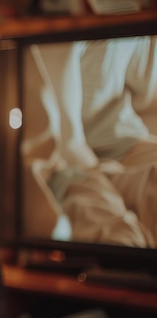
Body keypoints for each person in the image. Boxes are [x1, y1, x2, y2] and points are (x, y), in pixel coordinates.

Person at [22, 35, 157, 248]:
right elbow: (68, 145)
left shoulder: (138, 22)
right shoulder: (68, 27)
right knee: (124, 239)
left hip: (126, 144)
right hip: (71, 159)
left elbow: (146, 99)